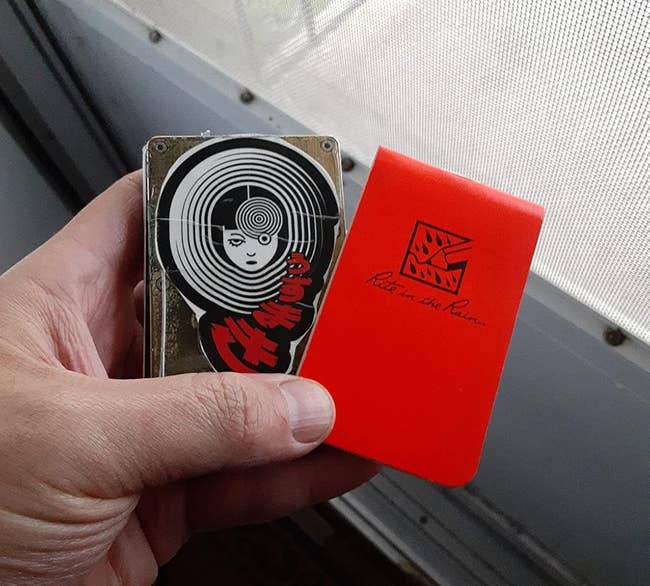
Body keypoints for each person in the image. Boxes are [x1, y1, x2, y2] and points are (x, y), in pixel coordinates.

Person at [0, 171, 379, 585]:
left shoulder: (295, 288)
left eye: (263, 239)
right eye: (237, 241)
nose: (251, 251)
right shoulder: (213, 309)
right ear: (216, 244)